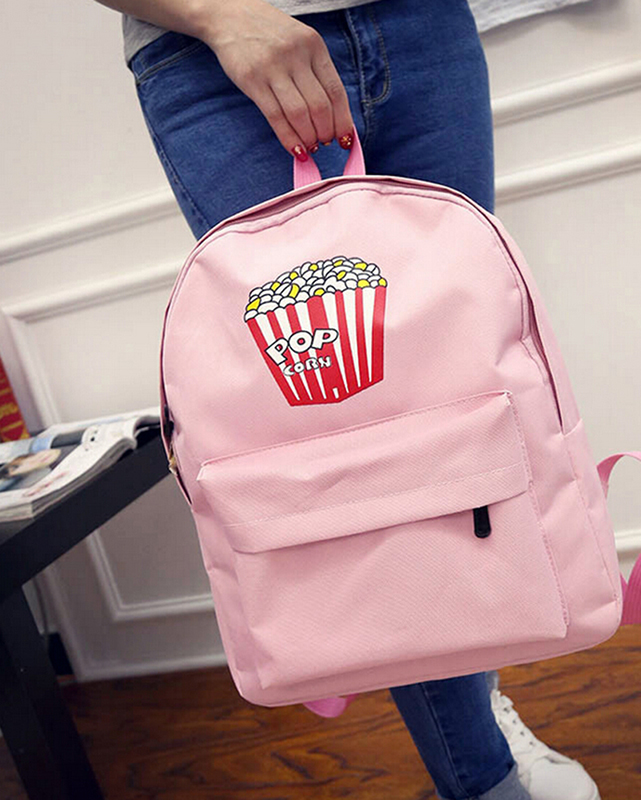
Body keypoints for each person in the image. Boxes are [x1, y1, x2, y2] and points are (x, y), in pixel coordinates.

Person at [93, 1, 601, 798]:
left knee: (454, 406)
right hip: (218, 52)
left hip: (426, 25)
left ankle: (480, 714)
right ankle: (483, 774)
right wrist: (218, 17)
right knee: (360, 461)